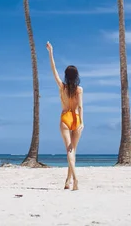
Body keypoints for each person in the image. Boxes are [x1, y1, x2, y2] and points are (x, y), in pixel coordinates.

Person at [46, 41, 84, 191]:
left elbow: (53, 69)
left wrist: (51, 52)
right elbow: (80, 106)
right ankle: (70, 179)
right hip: (76, 118)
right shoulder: (79, 89)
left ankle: (72, 179)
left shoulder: (62, 88)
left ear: (66, 76)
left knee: (69, 150)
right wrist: (82, 121)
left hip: (65, 118)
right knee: (73, 150)